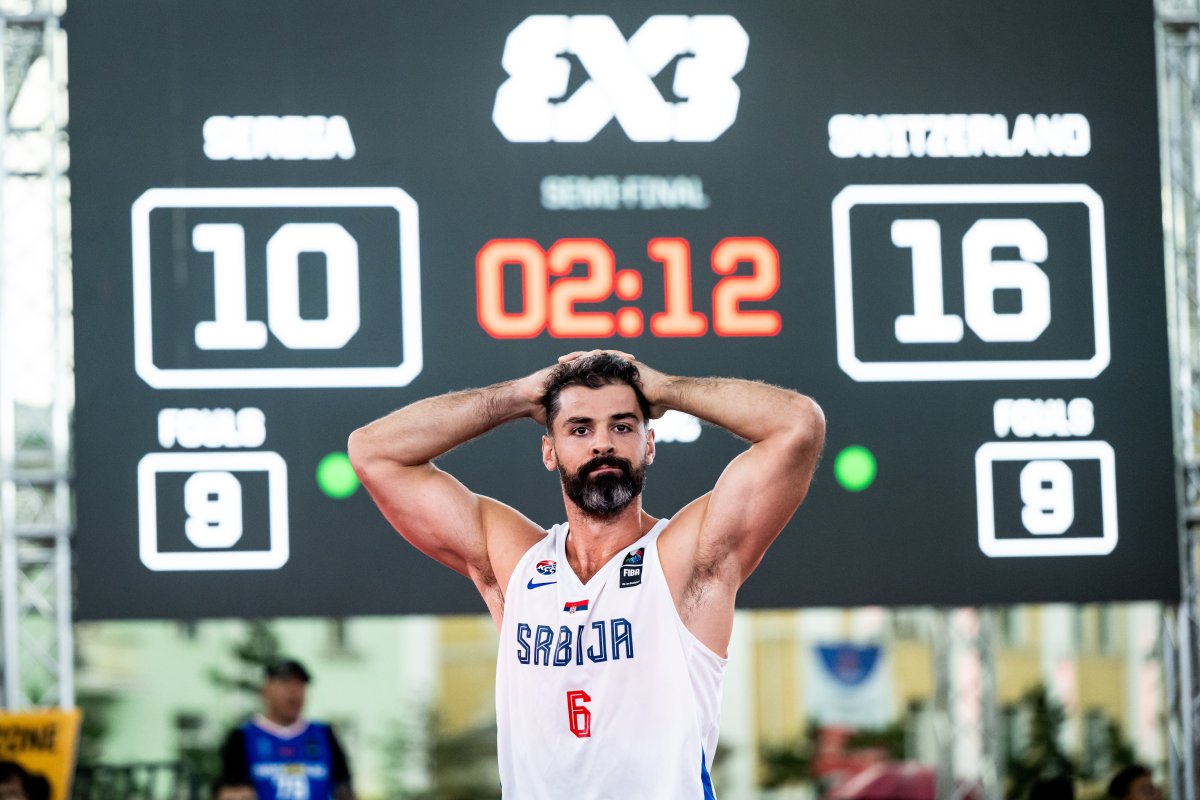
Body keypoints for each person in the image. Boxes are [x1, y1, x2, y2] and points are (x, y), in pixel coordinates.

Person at [349, 350, 825, 798]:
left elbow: (797, 425)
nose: (603, 443)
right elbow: (373, 451)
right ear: (549, 451)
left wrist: (664, 388)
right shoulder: (518, 564)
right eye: (579, 429)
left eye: (622, 426)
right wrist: (517, 396)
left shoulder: (687, 559)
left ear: (649, 444)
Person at [216, 658, 355, 800]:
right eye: (285, 683)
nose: (293, 691)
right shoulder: (243, 737)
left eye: (299, 685)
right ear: (265, 690)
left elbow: (344, 787)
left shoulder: (324, 734)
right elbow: (230, 790)